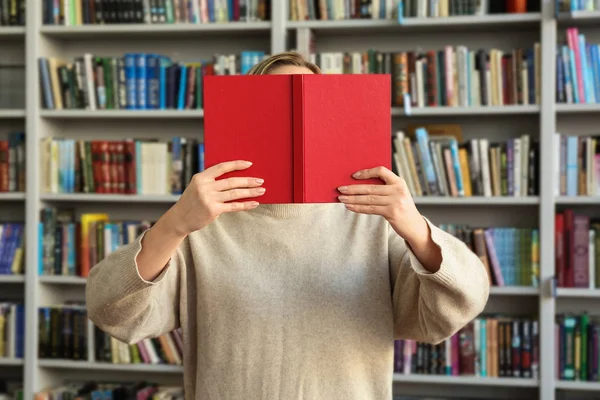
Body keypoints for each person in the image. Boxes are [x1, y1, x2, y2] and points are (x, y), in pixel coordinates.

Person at [86, 52, 490, 399]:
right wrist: (174, 224)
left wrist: (415, 226)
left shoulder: (373, 222)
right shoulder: (203, 223)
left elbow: (456, 306)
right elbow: (113, 312)